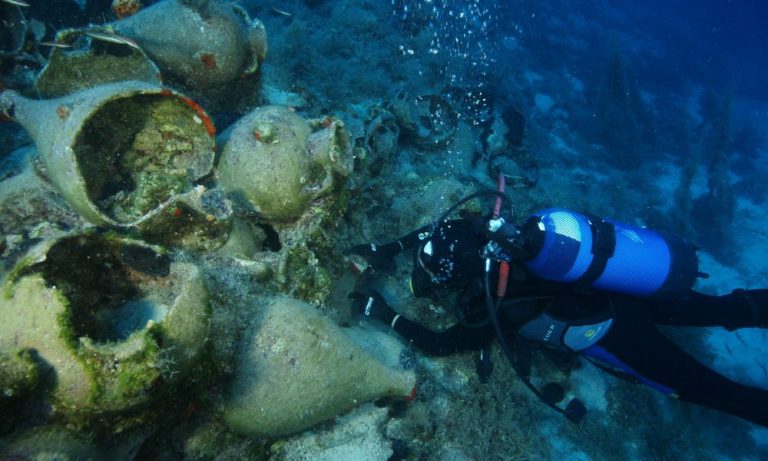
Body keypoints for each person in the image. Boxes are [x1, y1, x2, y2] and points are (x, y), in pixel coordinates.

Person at [347, 191, 768, 427]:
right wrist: (390, 248)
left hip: (615, 333)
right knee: (726, 309)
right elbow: (438, 231)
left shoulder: (494, 307)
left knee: (705, 388)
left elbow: (440, 344)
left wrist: (383, 312)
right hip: (625, 287)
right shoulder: (489, 236)